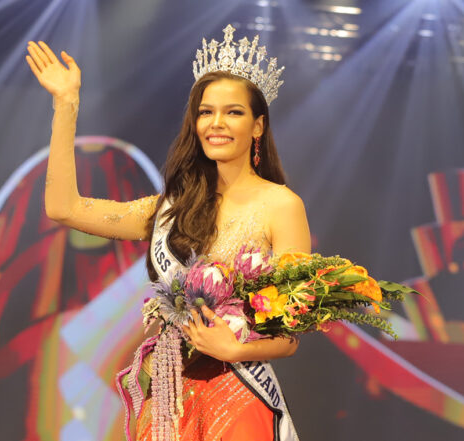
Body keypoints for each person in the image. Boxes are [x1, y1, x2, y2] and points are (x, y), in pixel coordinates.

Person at [26, 24, 310, 441]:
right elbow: (64, 208)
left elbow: (290, 335)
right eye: (205, 111)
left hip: (239, 396)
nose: (217, 123)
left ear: (258, 126)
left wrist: (236, 350)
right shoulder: (169, 209)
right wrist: (66, 104)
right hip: (169, 398)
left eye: (233, 112)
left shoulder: (282, 205)